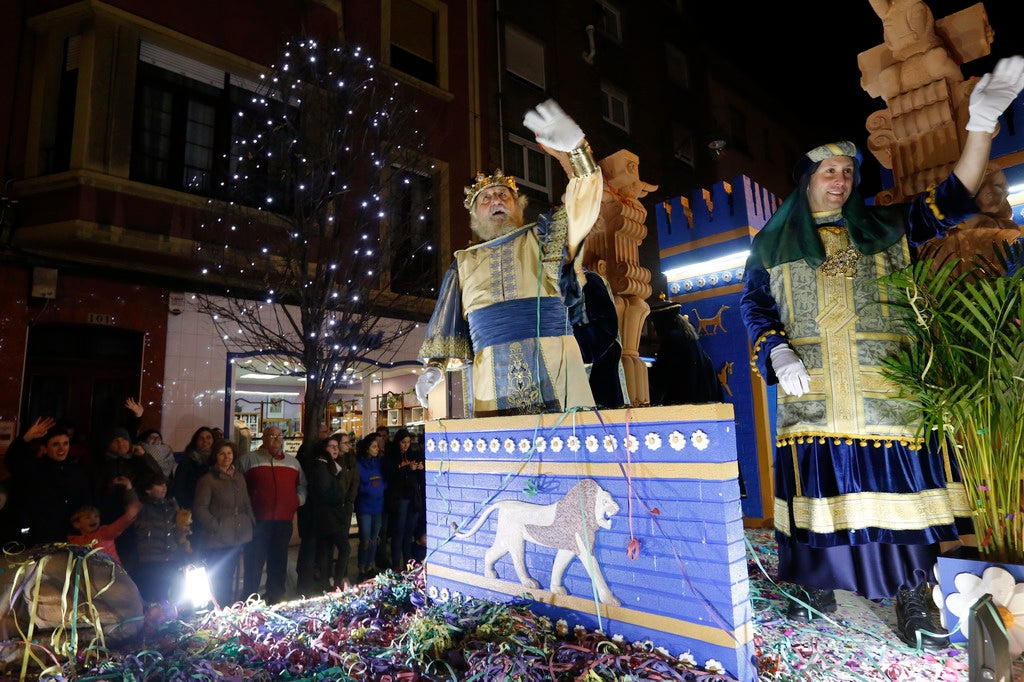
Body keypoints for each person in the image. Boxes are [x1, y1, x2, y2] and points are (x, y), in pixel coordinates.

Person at [738, 56, 1024, 651]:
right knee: (818, 504)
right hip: (812, 395)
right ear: (806, 180)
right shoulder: (769, 246)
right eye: (828, 171)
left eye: (847, 171)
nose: (840, 180)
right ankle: (811, 585)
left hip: (886, 395)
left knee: (902, 507)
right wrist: (777, 352)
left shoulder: (887, 227)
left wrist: (981, 124)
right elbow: (754, 310)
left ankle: (913, 596)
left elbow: (958, 196)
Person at [415, 99, 603, 416]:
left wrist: (577, 150)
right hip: (489, 375)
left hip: (555, 362)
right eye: (486, 198)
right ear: (475, 214)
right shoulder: (462, 262)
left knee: (569, 448)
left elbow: (582, 205)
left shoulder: (544, 237)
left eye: (504, 195)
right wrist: (434, 367)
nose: (497, 200)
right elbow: (447, 325)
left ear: (517, 205)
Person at [238, 425, 306, 603]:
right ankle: (250, 598)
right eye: (271, 436)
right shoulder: (248, 460)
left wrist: (297, 501)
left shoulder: (293, 463)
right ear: (263, 439)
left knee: (279, 559)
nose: (276, 439)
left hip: (283, 520)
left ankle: (276, 595)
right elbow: (238, 487)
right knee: (254, 560)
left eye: (279, 436)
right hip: (258, 520)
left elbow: (302, 485)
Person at [5, 418, 94, 546]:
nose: (62, 448)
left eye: (65, 443)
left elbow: (86, 500)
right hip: (40, 536)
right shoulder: (36, 468)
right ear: (45, 448)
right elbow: (13, 462)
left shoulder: (76, 470)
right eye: (56, 444)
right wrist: (25, 439)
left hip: (71, 536)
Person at [192, 440, 255, 607]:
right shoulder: (208, 480)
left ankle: (230, 608)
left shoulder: (239, 477)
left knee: (232, 575)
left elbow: (246, 502)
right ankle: (218, 610)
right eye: (222, 453)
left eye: (229, 453)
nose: (226, 457)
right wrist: (216, 527)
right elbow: (200, 508)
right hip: (217, 538)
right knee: (219, 578)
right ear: (215, 456)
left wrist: (250, 520)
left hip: (237, 533)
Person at [307, 433, 359, 590]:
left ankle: (330, 581)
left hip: (332, 515)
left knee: (328, 549)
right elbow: (325, 491)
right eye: (332, 446)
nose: (336, 449)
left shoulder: (333, 465)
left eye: (337, 447)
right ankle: (336, 582)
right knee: (343, 548)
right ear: (325, 449)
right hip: (329, 516)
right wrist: (339, 499)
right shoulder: (322, 466)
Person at [647, 301, 723, 405]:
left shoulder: (672, 338)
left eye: (655, 325)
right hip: (705, 401)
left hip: (686, 403)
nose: (655, 331)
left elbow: (663, 374)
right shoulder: (689, 338)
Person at [131, 474, 187, 603]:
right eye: (159, 485)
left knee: (171, 595)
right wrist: (129, 489)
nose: (164, 487)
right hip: (151, 557)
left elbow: (178, 529)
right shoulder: (142, 507)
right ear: (148, 489)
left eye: (165, 484)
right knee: (152, 595)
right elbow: (131, 507)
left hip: (171, 556)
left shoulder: (172, 505)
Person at [383, 428, 425, 571]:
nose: (406, 445)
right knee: (398, 533)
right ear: (398, 442)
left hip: (413, 499)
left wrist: (420, 468)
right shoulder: (391, 457)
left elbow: (418, 478)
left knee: (408, 534)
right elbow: (392, 477)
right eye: (403, 442)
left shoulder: (413, 455)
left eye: (408, 442)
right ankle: (396, 565)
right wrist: (407, 470)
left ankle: (408, 565)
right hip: (399, 498)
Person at [67, 499, 142, 565]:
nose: (93, 519)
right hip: (93, 577)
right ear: (77, 524)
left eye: (96, 516)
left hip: (113, 573)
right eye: (88, 517)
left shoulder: (102, 533)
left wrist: (129, 516)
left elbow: (117, 527)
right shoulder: (74, 542)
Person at [354, 433, 386, 580]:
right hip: (365, 506)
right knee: (365, 539)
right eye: (374, 447)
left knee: (374, 538)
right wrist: (370, 488)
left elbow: (384, 479)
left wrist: (381, 488)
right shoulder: (359, 464)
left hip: (378, 505)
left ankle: (370, 565)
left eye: (377, 447)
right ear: (367, 448)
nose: (377, 449)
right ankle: (361, 567)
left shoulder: (379, 463)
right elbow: (358, 484)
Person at [171, 426, 215, 511]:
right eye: (201, 438)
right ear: (195, 442)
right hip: (194, 508)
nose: (205, 441)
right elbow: (179, 488)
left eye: (208, 438)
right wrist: (188, 507)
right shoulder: (187, 462)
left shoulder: (217, 461)